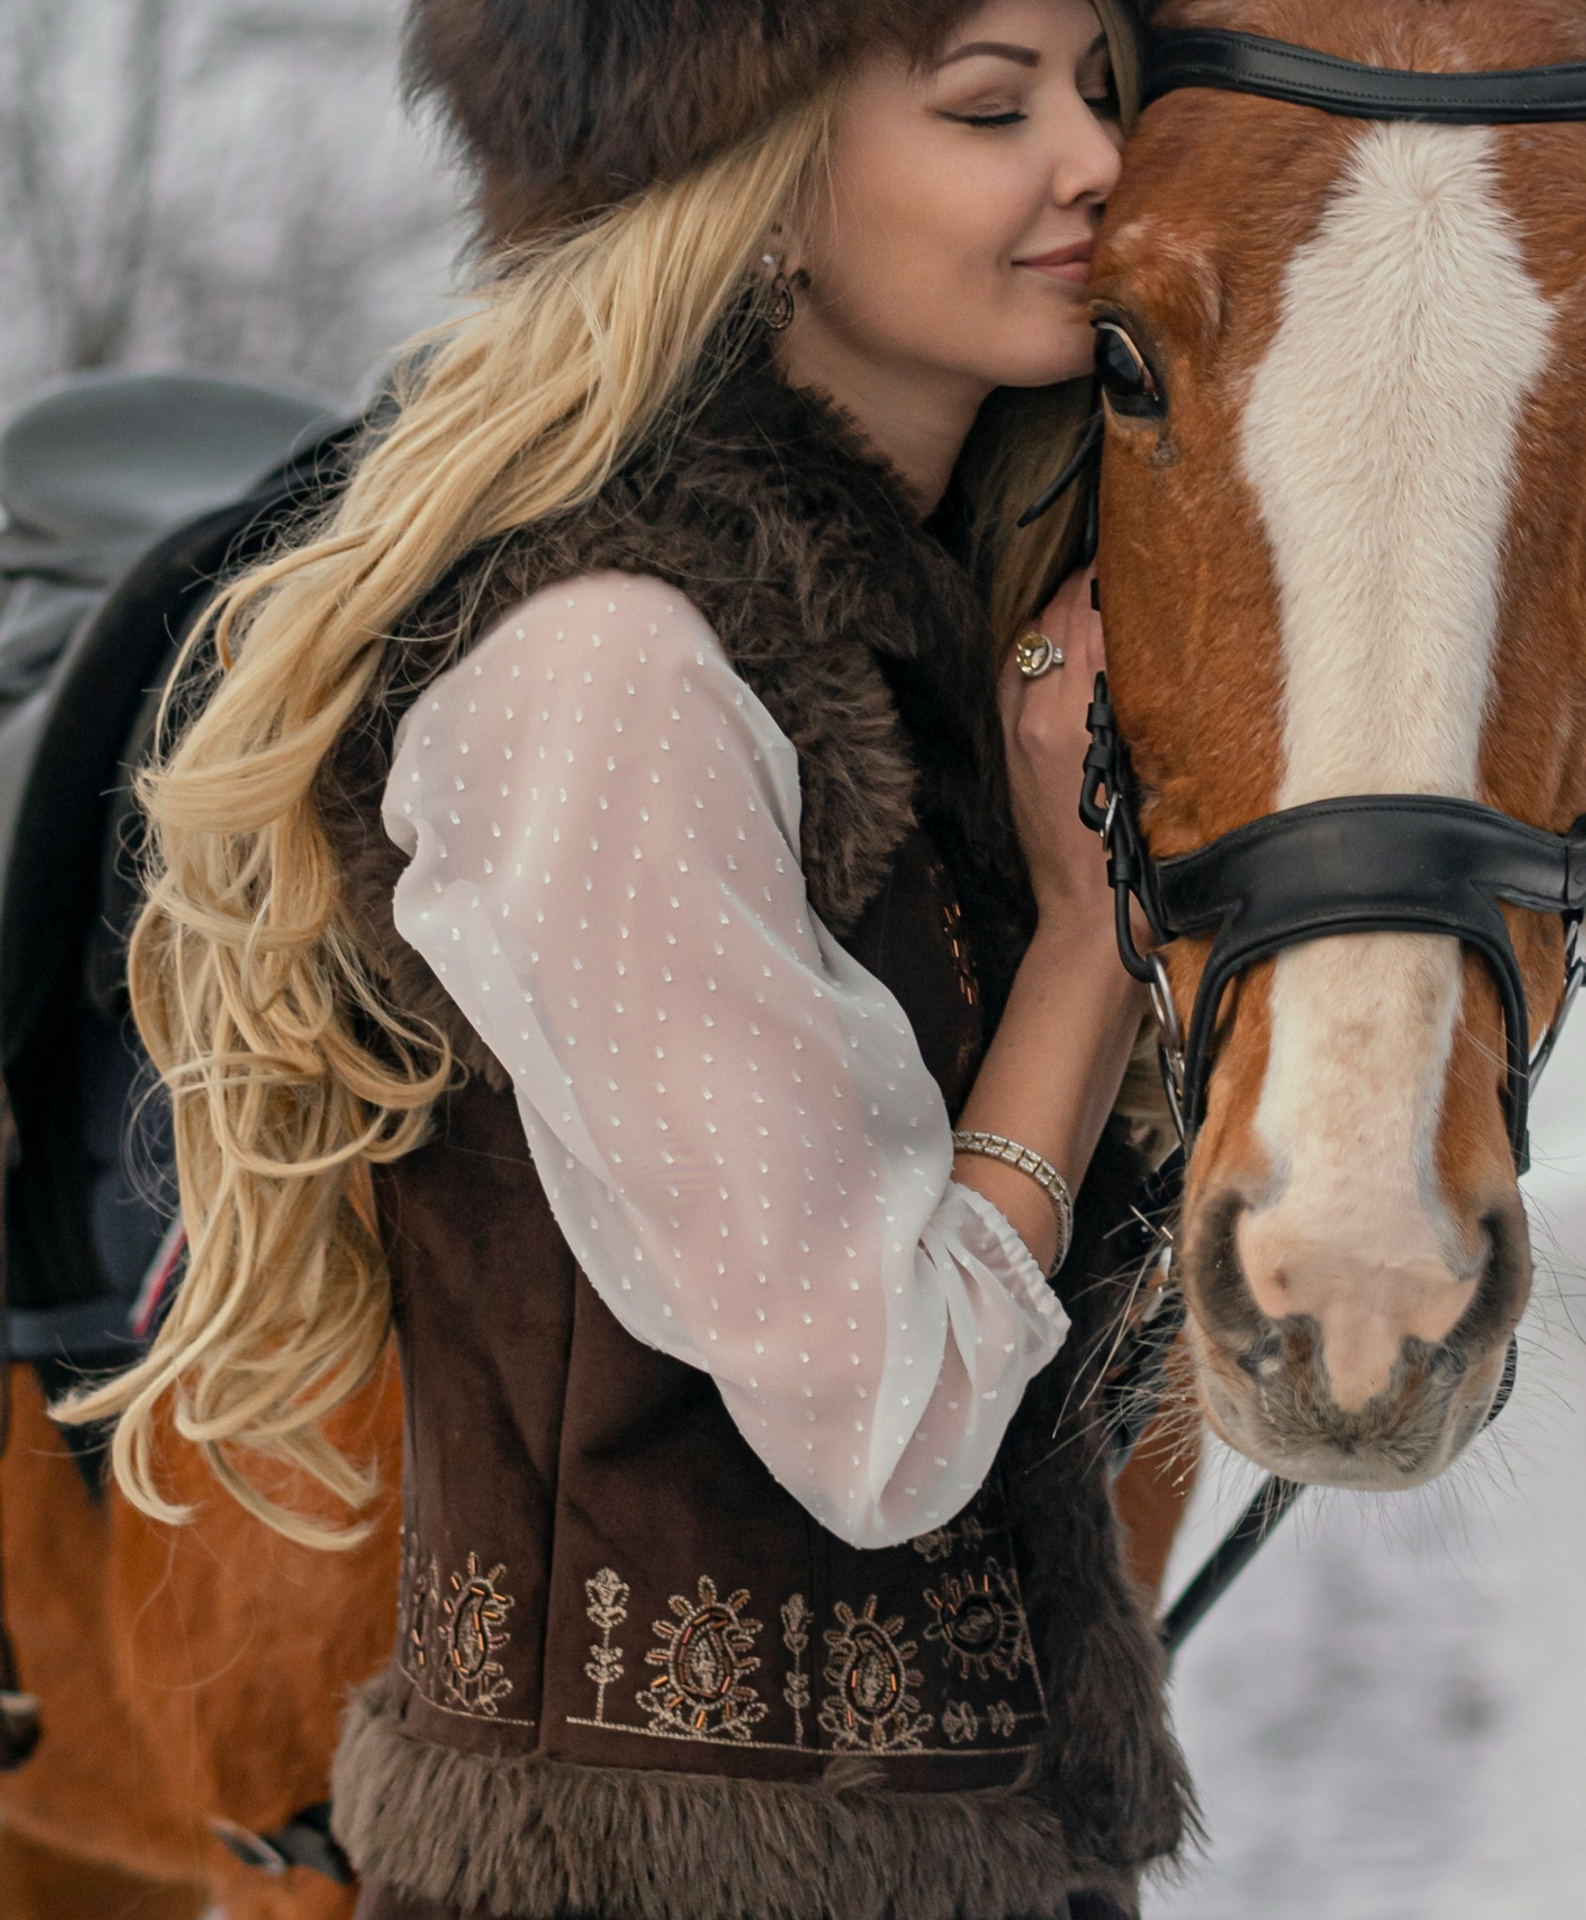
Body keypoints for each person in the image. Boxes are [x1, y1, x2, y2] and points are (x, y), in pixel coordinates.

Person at [64, 1, 1192, 1915]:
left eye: (1103, 93)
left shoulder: (926, 662)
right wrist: (1088, 942)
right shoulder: (617, 667)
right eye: (992, 105)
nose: (1092, 163)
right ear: (750, 181)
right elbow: (887, 1423)